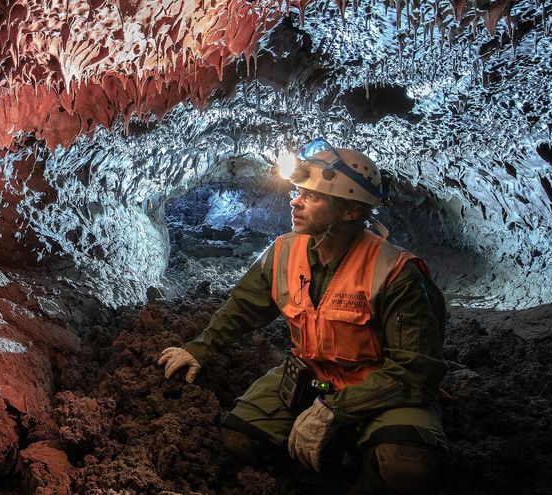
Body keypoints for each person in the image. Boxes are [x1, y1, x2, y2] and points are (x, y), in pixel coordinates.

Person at [158, 138, 448, 494]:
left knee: (407, 467)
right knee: (241, 438)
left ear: (350, 212)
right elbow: (243, 307)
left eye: (311, 196)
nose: (295, 201)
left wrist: (334, 411)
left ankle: (368, 456)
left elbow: (415, 370)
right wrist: (199, 349)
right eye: (296, 191)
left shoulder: (394, 272)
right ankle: (322, 458)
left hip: (382, 386)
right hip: (313, 373)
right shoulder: (283, 252)